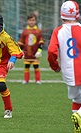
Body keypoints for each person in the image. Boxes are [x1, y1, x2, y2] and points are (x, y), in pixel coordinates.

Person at [47, 1, 81, 132]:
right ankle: (79, 116)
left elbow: (51, 51)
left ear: (62, 15)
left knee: (77, 98)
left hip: (68, 72)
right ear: (77, 14)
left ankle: (77, 126)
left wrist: (54, 66)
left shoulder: (58, 32)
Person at [18, 12, 44, 84]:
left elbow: (40, 42)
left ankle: (38, 80)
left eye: (33, 20)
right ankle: (26, 80)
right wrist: (21, 51)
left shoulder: (38, 31)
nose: (31, 22)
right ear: (27, 21)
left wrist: (39, 51)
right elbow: (21, 42)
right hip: (27, 52)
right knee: (27, 66)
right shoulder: (25, 31)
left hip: (35, 53)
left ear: (35, 21)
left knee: (36, 66)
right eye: (30, 20)